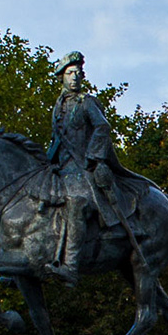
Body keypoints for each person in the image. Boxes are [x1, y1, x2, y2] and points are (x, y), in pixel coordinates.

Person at [46, 52, 145, 281]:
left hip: (84, 168)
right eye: (70, 73)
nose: (75, 78)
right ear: (62, 76)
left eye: (78, 74)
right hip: (62, 168)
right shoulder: (58, 106)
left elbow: (102, 127)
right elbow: (57, 140)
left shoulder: (87, 103)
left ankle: (70, 266)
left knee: (76, 203)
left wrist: (94, 157)